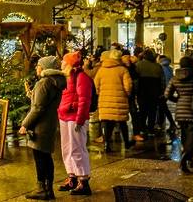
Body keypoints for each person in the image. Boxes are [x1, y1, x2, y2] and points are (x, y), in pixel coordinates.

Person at [22, 56, 66, 200]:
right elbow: (44, 102)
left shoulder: (44, 83)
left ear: (45, 67)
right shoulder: (55, 82)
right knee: (46, 157)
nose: (36, 68)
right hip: (50, 123)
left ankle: (42, 189)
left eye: (38, 65)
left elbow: (38, 108)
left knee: (40, 157)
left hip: (40, 126)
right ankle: (48, 189)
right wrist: (31, 94)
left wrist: (25, 124)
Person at [57, 52, 93, 196]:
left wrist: (80, 119)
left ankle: (83, 180)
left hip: (74, 117)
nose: (61, 64)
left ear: (70, 64)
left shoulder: (81, 77)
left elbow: (85, 100)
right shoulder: (66, 77)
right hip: (65, 116)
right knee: (66, 149)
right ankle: (72, 176)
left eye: (64, 61)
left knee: (77, 149)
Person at [165, 56, 193, 174]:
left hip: (180, 110)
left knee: (184, 135)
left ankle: (189, 158)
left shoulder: (174, 78)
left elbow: (167, 94)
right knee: (192, 137)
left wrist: (177, 100)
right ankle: (185, 157)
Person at [94, 49, 133, 152]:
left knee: (105, 122)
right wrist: (127, 94)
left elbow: (96, 84)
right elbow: (128, 86)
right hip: (119, 100)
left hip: (104, 99)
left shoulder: (101, 69)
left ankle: (107, 144)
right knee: (122, 122)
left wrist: (100, 92)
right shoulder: (123, 70)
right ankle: (126, 143)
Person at [135, 50, 164, 137]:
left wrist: (136, 91)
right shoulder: (158, 66)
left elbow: (136, 81)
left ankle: (142, 128)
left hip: (142, 91)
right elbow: (162, 81)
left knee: (142, 110)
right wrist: (161, 91)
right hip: (155, 91)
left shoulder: (138, 65)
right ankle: (151, 128)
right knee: (152, 111)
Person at [157, 55, 177, 137]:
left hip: (163, 91)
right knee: (162, 107)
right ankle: (161, 123)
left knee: (163, 107)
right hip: (168, 90)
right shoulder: (170, 68)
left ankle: (170, 123)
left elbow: (162, 80)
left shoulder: (160, 68)